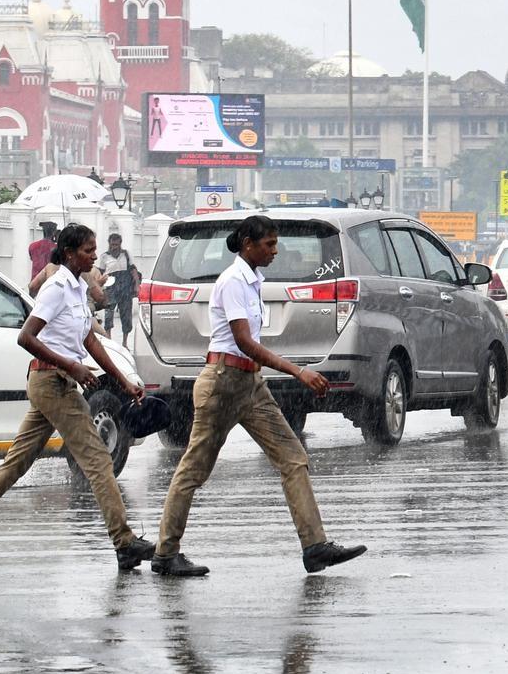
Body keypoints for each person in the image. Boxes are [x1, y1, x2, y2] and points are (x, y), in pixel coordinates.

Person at [0, 224, 156, 570]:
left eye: (94, 249)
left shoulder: (79, 289)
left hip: (54, 383)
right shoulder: (56, 288)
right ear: (68, 253)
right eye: (87, 250)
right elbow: (26, 337)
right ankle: (124, 542)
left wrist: (123, 381)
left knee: (14, 465)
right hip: (53, 382)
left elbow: (90, 342)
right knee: (97, 460)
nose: (94, 255)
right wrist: (71, 366)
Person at [152, 215, 366, 577]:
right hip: (222, 383)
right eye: (268, 244)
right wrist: (298, 371)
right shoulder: (234, 281)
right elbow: (244, 342)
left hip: (250, 385)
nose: (275, 250)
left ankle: (315, 547)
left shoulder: (253, 280)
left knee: (293, 458)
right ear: (248, 244)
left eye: (275, 243)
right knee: (194, 470)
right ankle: (165, 553)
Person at [101, 233, 139, 348]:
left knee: (126, 315)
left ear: (120, 244)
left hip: (125, 288)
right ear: (109, 243)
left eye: (117, 244)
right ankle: (109, 341)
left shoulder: (126, 255)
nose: (114, 247)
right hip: (110, 288)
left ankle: (125, 342)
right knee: (108, 313)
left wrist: (137, 285)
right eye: (112, 244)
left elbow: (133, 270)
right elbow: (100, 273)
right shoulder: (104, 257)